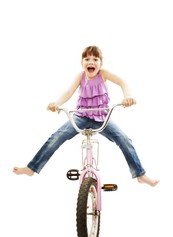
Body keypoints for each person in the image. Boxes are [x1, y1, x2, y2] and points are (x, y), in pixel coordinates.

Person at [13, 46, 159, 186]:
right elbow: (68, 92)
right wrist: (56, 103)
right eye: (87, 59)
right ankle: (32, 168)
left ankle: (140, 174)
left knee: (124, 139)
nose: (91, 62)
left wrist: (128, 96)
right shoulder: (80, 76)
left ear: (101, 63)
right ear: (82, 63)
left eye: (95, 59)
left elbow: (122, 82)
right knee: (57, 136)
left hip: (102, 117)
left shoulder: (103, 74)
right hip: (81, 116)